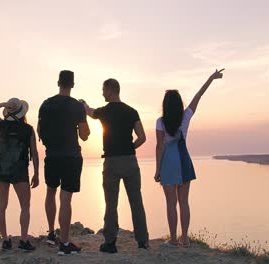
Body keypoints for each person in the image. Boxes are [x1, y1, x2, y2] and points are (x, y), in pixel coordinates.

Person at [154, 69, 224, 247]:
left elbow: (160, 146)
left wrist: (157, 170)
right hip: (183, 159)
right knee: (184, 202)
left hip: (168, 162)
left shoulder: (160, 122)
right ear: (178, 104)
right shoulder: (185, 116)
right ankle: (184, 239)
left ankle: (173, 239)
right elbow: (198, 95)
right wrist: (211, 78)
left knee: (171, 203)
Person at [82, 78, 149, 253]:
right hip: (130, 162)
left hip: (112, 162)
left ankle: (110, 243)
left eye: (104, 90)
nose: (102, 93)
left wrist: (84, 105)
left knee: (111, 203)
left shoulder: (104, 111)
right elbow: (142, 137)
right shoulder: (132, 111)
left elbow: (89, 112)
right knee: (136, 202)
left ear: (111, 90)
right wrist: (129, 148)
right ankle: (143, 242)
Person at [38, 70, 90, 255]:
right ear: (73, 85)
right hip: (70, 157)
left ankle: (51, 234)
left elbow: (39, 131)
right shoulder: (77, 107)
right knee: (65, 199)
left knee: (50, 192)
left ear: (58, 83)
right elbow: (84, 135)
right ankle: (65, 244)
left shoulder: (45, 104)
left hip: (51, 156)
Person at [0, 97, 39, 251]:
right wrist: (36, 173)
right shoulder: (28, 129)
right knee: (25, 206)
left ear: (7, 112)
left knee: (1, 205)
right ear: (23, 112)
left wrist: (3, 104)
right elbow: (34, 153)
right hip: (20, 171)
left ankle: (5, 240)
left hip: (2, 170)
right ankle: (23, 240)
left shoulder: (1, 125)